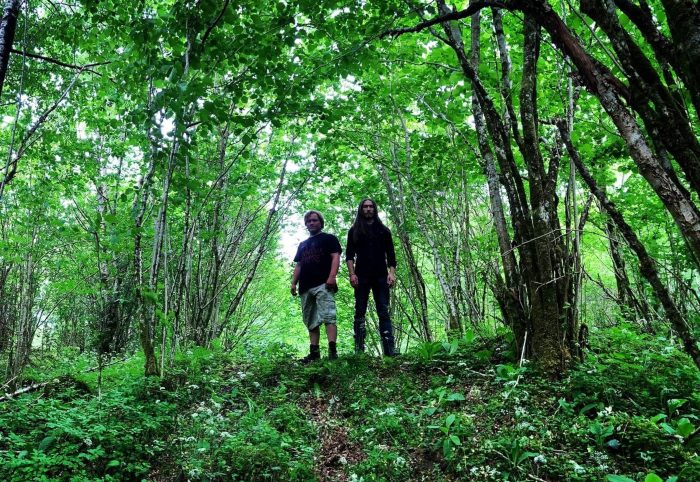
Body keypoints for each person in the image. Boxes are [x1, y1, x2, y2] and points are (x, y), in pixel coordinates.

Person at [346, 199, 398, 356]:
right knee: (360, 311)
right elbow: (349, 256)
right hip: (361, 276)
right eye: (365, 207)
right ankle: (359, 351)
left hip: (381, 276)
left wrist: (391, 273)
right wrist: (352, 274)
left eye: (370, 206)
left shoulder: (384, 230)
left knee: (383, 311)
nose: (368, 209)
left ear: (374, 209)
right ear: (361, 209)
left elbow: (391, 255)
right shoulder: (354, 231)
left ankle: (389, 351)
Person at [291, 210, 342, 363]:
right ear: (306, 224)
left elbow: (335, 257)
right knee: (310, 320)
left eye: (314, 220)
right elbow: (299, 265)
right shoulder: (302, 245)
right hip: (305, 287)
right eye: (309, 221)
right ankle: (314, 353)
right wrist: (293, 283)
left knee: (328, 316)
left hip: (323, 284)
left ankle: (332, 352)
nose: (311, 223)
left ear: (321, 222)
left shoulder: (329, 239)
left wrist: (332, 277)